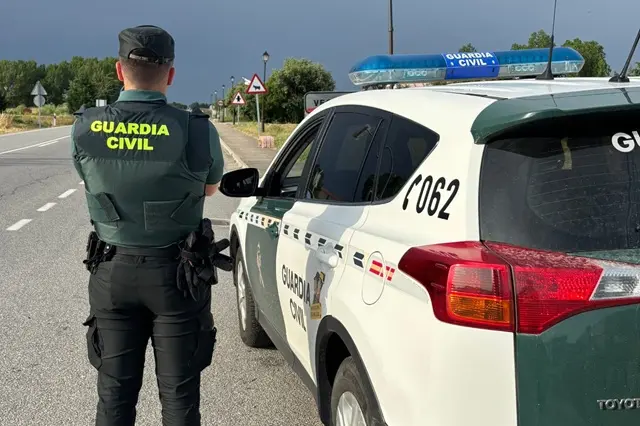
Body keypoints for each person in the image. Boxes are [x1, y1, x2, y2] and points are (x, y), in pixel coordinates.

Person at [70, 25, 230, 426]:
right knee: (180, 401)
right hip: (178, 277)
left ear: (119, 70)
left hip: (113, 273)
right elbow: (210, 188)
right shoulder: (197, 130)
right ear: (170, 74)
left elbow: (90, 178)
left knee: (113, 399)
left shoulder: (85, 126)